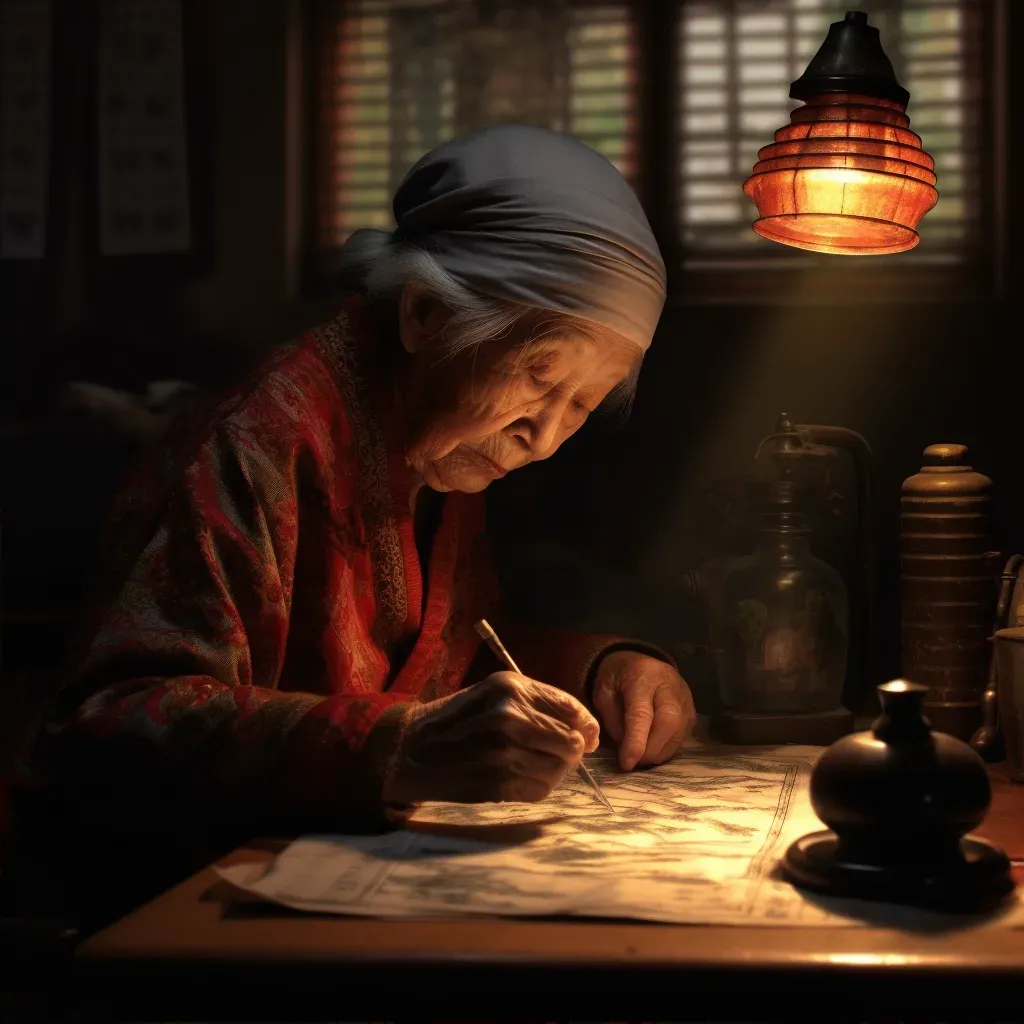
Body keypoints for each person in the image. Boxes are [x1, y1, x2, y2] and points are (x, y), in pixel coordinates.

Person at [12, 125, 695, 923]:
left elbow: (458, 657)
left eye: (580, 404)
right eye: (537, 376)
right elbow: (111, 723)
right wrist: (398, 749)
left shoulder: (435, 442)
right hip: (151, 914)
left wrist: (603, 669)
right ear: (425, 315)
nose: (541, 437)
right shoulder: (260, 438)